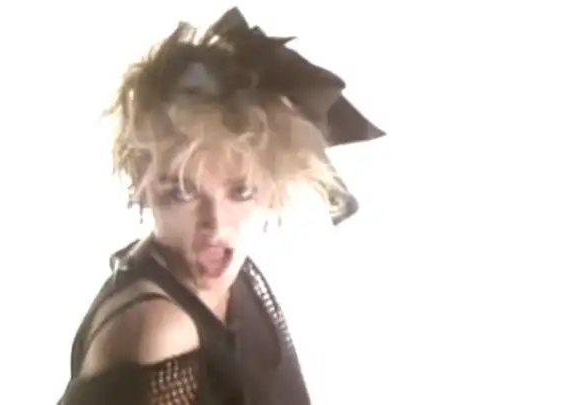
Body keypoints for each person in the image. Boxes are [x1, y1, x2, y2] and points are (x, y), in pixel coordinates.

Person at [58, 7, 384, 405]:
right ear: (144, 189)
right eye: (182, 192)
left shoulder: (230, 274)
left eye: (241, 191)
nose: (214, 225)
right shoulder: (160, 333)